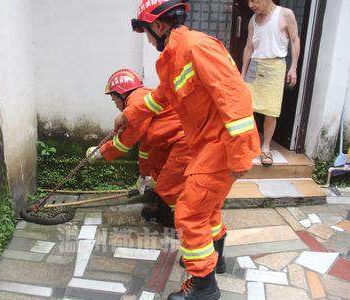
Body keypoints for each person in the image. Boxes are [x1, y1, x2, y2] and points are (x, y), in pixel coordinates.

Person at [114, 1, 260, 299]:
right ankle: (212, 259)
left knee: (189, 213)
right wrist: (127, 116)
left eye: (146, 32)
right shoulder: (171, 59)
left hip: (219, 147)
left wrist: (242, 152)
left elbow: (235, 96)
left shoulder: (197, 48)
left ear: (158, 25)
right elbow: (157, 100)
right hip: (204, 146)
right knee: (206, 208)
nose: (148, 39)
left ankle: (203, 288)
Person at [86, 68, 191, 228]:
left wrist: (99, 152)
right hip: (171, 142)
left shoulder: (136, 103)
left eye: (114, 100)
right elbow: (145, 148)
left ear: (122, 94)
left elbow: (124, 142)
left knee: (169, 186)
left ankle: (184, 225)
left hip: (184, 143)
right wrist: (144, 176)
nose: (115, 106)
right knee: (156, 169)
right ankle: (162, 212)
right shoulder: (140, 98)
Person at [241, 0, 300, 166]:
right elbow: (248, 48)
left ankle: (265, 147)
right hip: (254, 66)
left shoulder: (285, 14)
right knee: (246, 108)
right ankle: (247, 146)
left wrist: (293, 67)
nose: (250, 5)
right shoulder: (253, 20)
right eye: (248, 1)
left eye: (254, 1)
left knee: (271, 110)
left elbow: (295, 41)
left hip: (275, 66)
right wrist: (242, 73)